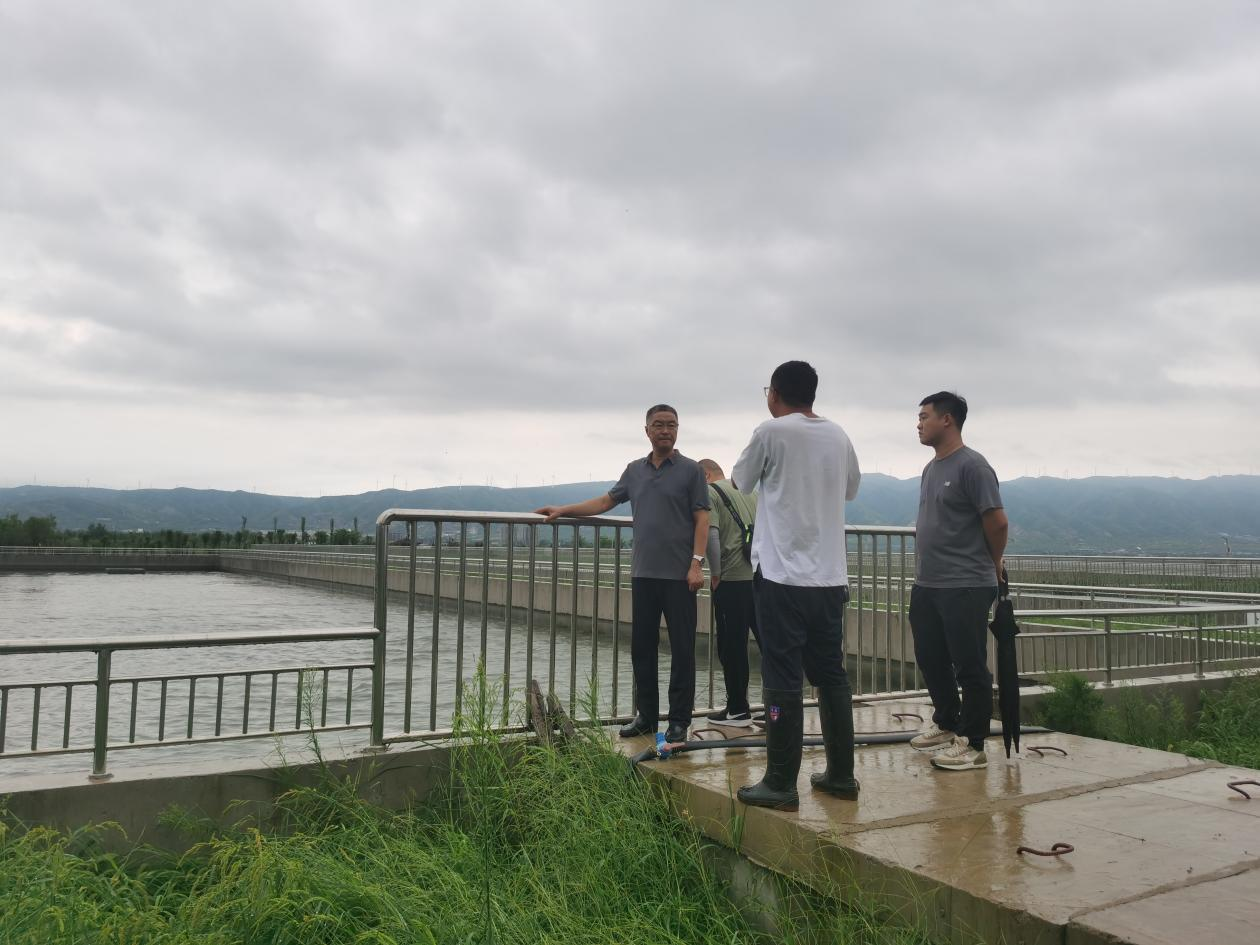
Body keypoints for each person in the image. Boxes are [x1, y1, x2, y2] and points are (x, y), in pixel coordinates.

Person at [536, 404, 709, 743]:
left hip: (680, 576)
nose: (665, 430)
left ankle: (678, 721)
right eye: (658, 425)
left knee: (682, 650)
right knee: (642, 648)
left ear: (677, 430)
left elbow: (702, 518)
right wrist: (564, 509)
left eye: (671, 425)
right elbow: (605, 502)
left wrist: (696, 563)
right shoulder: (634, 471)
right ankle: (646, 717)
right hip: (644, 573)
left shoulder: (691, 471)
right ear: (647, 430)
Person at [731, 361, 861, 811]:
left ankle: (780, 782)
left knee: (781, 676)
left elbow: (740, 481)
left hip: (781, 577)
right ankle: (841, 776)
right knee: (831, 675)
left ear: (775, 393)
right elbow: (851, 489)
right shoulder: (838, 435)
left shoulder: (771, 431)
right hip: (830, 578)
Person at [908, 391, 1009, 771]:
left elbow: (997, 521)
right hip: (929, 583)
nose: (919, 424)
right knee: (930, 656)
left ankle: (974, 743)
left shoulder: (973, 466)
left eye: (924, 416)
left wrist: (993, 561)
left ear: (946, 419)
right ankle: (947, 722)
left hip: (965, 582)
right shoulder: (931, 468)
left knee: (969, 664)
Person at [697, 458, 759, 726]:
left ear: (705, 475)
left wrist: (715, 573)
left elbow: (711, 535)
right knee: (767, 642)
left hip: (732, 579)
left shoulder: (710, 492)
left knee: (732, 646)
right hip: (758, 577)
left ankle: (738, 709)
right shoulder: (750, 492)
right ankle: (778, 707)